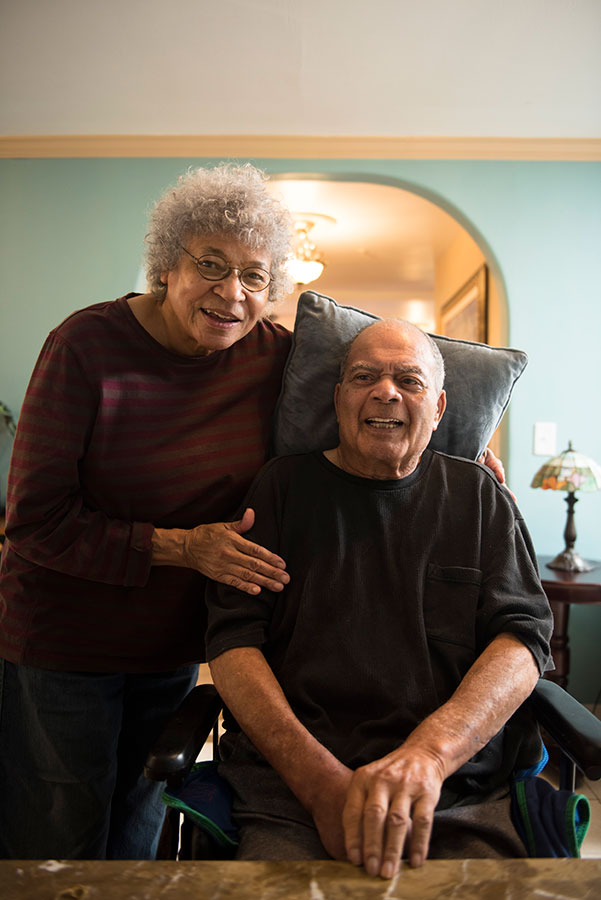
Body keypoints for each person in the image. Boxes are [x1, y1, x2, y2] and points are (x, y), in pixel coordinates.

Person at [0, 163, 295, 860]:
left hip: (168, 642)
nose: (231, 293)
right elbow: (35, 521)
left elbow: (387, 371)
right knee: (59, 837)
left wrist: (461, 449)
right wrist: (186, 547)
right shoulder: (86, 345)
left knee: (139, 822)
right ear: (166, 266)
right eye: (210, 265)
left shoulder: (274, 353)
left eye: (255, 275)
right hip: (61, 639)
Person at [205, 318, 553, 878]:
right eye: (364, 376)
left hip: (457, 793)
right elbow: (232, 641)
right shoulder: (281, 489)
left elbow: (524, 640)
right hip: (293, 791)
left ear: (438, 408)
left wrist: (429, 757)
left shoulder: (479, 497)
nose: (385, 391)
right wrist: (319, 784)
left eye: (408, 381)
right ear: (339, 398)